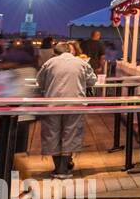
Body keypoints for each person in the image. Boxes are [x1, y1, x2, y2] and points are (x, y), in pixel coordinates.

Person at [37, 42, 97, 178]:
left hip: (52, 104)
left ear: (55, 52)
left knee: (52, 134)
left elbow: (40, 82)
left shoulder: (50, 63)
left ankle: (57, 168)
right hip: (75, 104)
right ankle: (64, 169)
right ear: (70, 51)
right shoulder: (81, 63)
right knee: (70, 133)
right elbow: (92, 81)